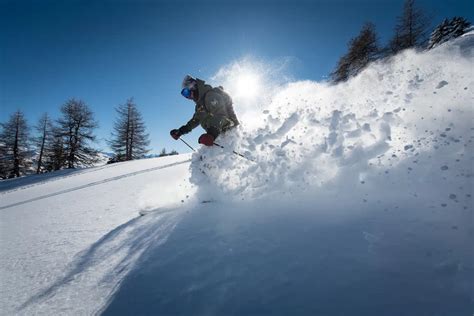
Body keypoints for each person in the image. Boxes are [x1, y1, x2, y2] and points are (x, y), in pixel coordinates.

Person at [170, 75, 239, 146]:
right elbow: (195, 120)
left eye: (186, 92)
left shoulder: (211, 96)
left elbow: (221, 115)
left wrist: (212, 134)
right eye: (184, 95)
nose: (187, 97)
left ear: (193, 87)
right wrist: (180, 131)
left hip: (230, 131)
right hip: (217, 135)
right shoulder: (200, 106)